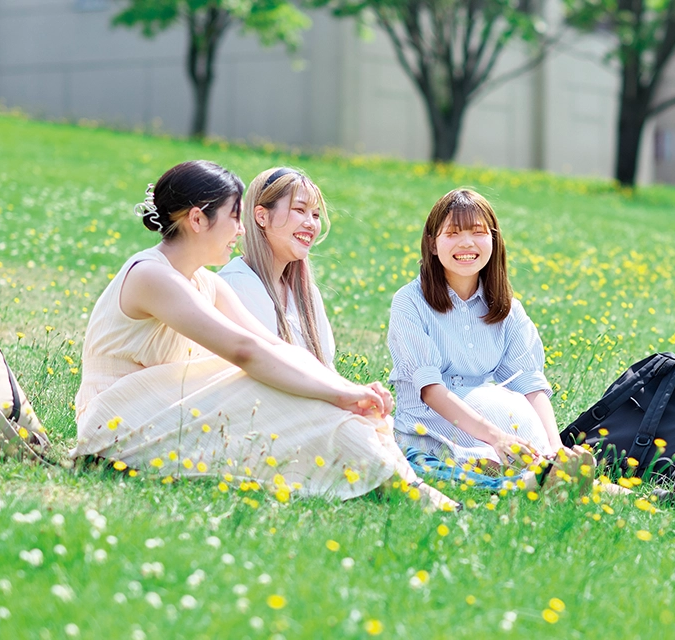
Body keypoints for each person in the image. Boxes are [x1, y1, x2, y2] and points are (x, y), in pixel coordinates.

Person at [71, 160, 455, 510]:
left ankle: (400, 482)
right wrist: (337, 394)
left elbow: (275, 347)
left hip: (164, 407)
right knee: (259, 386)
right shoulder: (150, 275)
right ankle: (402, 487)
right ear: (197, 219)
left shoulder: (207, 284)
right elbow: (245, 351)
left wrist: (348, 390)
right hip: (116, 422)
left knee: (301, 394)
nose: (241, 230)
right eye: (233, 217)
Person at [387, 188, 586, 474]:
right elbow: (430, 390)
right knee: (500, 465)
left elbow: (529, 383)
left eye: (478, 232)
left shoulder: (508, 308)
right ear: (432, 244)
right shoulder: (410, 302)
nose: (466, 243)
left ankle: (556, 470)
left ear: (493, 239)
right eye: (453, 233)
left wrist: (556, 448)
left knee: (542, 463)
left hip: (496, 432)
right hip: (432, 429)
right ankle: (545, 475)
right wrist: (497, 438)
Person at [218, 167, 334, 367]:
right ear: (261, 216)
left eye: (315, 215)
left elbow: (327, 367)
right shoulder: (237, 284)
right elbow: (269, 367)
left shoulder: (307, 295)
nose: (311, 224)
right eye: (299, 210)